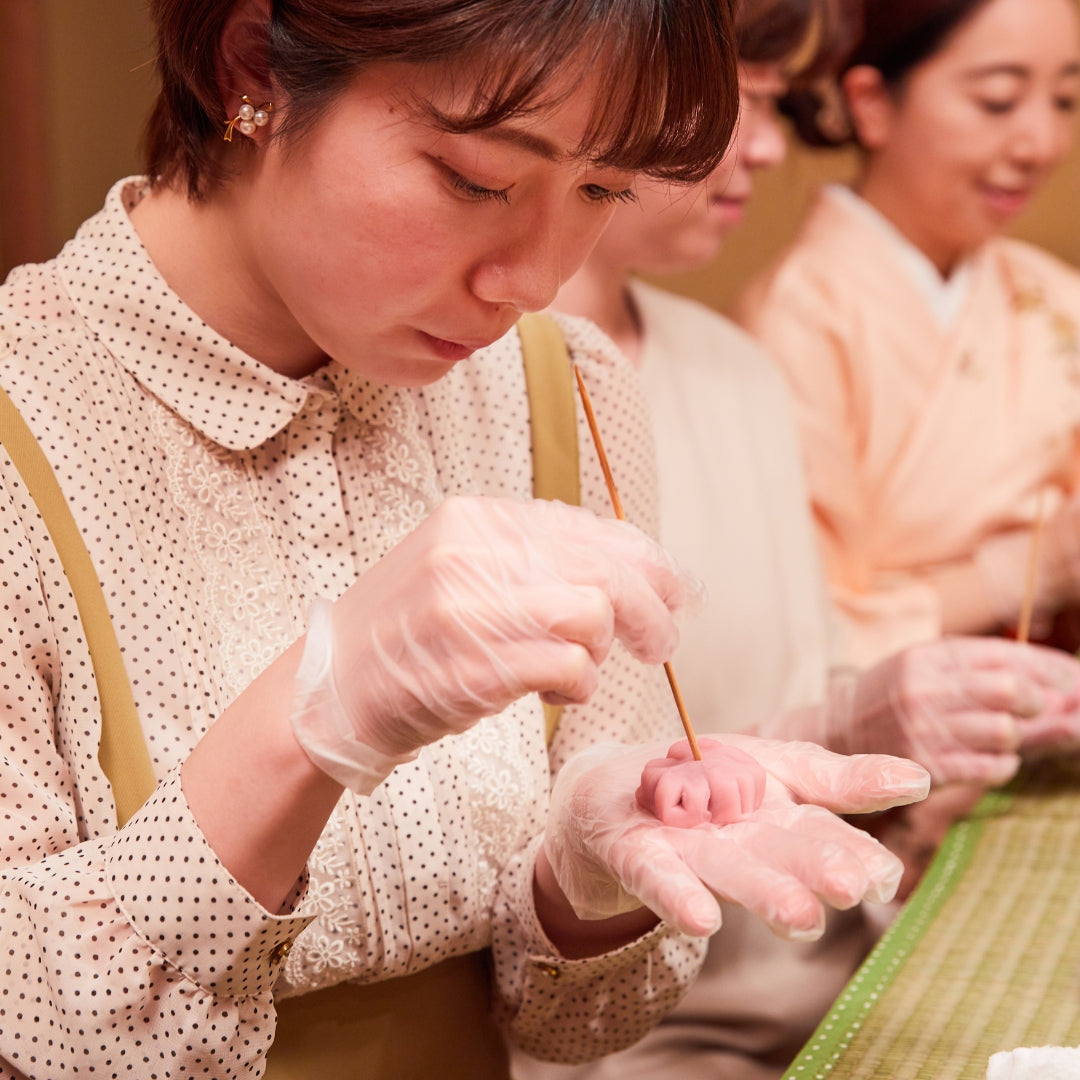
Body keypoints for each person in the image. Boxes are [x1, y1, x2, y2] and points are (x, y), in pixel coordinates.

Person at [0, 0, 940, 1076]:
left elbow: (572, 1023)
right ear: (253, 63)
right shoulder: (26, 426)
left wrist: (585, 882)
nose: (531, 282)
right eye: (479, 180)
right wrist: (307, 722)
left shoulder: (565, 391)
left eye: (602, 189)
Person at [515, 1, 1080, 1076]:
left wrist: (883, 713)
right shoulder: (469, 380)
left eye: (771, 104)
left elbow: (817, 686)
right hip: (631, 1032)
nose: (771, 150)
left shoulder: (732, 368)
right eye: (735, 105)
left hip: (841, 954)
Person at [737, 0, 1080, 672]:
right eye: (998, 101)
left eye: (1066, 100)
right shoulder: (798, 315)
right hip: (896, 729)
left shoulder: (1053, 292)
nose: (1041, 143)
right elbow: (804, 627)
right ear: (870, 104)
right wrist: (1022, 571)